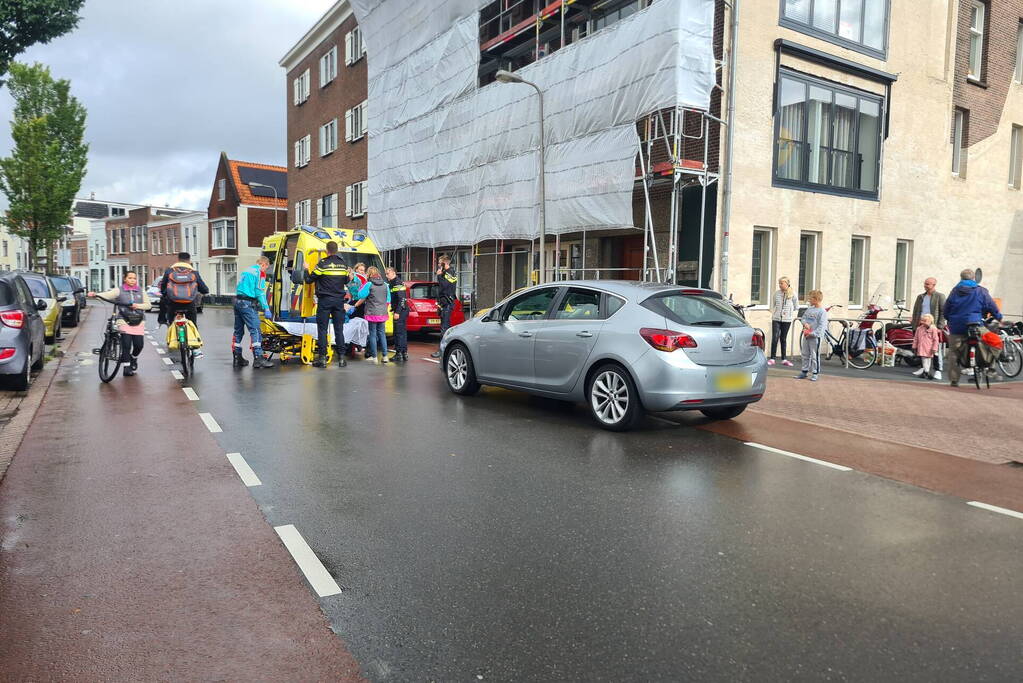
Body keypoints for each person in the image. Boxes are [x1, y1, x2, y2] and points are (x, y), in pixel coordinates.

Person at [944, 268, 1001, 387]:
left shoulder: (954, 291)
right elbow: (991, 305)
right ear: (973, 278)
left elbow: (946, 309)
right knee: (994, 341)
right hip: (975, 325)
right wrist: (999, 317)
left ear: (961, 278)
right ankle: (991, 367)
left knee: (954, 352)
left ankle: (954, 380)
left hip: (957, 326)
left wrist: (950, 319)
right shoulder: (981, 291)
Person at [88, 271, 151, 377]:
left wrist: (137, 306)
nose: (132, 280)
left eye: (134, 278)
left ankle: (133, 358)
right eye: (130, 278)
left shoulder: (141, 291)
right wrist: (95, 294)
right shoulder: (119, 290)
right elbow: (107, 295)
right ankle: (126, 367)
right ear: (125, 279)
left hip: (138, 320)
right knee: (126, 344)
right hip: (123, 320)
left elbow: (148, 305)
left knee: (139, 345)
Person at [304, 241, 350, 368]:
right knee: (339, 329)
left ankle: (322, 359)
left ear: (327, 250)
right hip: (339, 301)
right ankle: (341, 359)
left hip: (325, 300)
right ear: (336, 250)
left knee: (323, 329)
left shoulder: (322, 264)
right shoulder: (343, 264)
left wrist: (306, 269)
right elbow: (346, 280)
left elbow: (309, 280)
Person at [232, 256, 275, 369]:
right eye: (266, 267)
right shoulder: (260, 273)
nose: (265, 270)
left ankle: (237, 357)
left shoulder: (246, 270)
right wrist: (266, 308)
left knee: (238, 330)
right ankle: (259, 358)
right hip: (247, 303)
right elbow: (259, 292)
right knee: (255, 330)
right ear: (263, 264)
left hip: (237, 301)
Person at [911, 277, 947, 380]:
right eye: (925, 283)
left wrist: (940, 326)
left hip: (933, 326)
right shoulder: (921, 297)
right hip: (921, 326)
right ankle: (924, 369)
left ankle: (937, 370)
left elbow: (943, 312)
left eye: (928, 284)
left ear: (934, 285)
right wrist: (915, 324)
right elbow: (916, 310)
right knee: (921, 348)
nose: (925, 285)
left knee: (935, 349)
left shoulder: (940, 296)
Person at [158, 252, 209, 326]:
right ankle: (195, 335)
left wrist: (165, 294)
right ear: (189, 260)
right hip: (189, 304)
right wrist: (203, 291)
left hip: (173, 304)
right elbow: (204, 289)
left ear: (178, 260)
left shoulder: (169, 271)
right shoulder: (194, 272)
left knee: (171, 323)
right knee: (193, 326)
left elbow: (163, 288)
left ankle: (164, 323)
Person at [796, 289, 827, 382]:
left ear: (816, 299)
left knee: (814, 355)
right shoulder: (809, 309)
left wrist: (812, 333)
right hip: (806, 335)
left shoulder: (822, 312)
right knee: (805, 353)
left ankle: (815, 372)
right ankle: (804, 371)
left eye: (811, 298)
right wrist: (804, 324)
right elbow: (803, 318)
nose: (809, 300)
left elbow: (822, 326)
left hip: (814, 337)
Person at [430, 254, 457, 358]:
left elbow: (445, 286)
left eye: (439, 263)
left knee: (444, 328)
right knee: (445, 327)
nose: (438, 265)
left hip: (447, 303)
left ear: (444, 263)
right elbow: (441, 289)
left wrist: (439, 276)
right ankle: (447, 349)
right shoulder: (445, 273)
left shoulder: (451, 272)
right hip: (443, 303)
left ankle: (442, 351)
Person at [363, 266, 391, 364]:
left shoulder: (369, 284)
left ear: (369, 274)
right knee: (382, 334)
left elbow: (360, 295)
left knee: (373, 334)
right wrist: (383, 308)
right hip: (382, 313)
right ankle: (385, 356)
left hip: (372, 313)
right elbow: (388, 299)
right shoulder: (385, 285)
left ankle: (374, 357)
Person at [768, 276, 798, 366]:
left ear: (787, 284)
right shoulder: (776, 293)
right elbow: (773, 305)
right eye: (779, 283)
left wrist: (788, 313)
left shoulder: (793, 294)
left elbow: (796, 306)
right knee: (775, 337)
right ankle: (772, 358)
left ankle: (784, 359)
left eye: (782, 283)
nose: (780, 285)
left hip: (787, 319)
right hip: (776, 318)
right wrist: (775, 313)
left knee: (783, 338)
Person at [386, 266, 408, 363]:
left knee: (398, 333)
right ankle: (403, 353)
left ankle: (399, 353)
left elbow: (402, 299)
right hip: (399, 310)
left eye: (388, 273)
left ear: (394, 273)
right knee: (401, 332)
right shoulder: (392, 282)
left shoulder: (397, 283)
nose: (386, 275)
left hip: (401, 311)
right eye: (386, 273)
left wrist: (398, 312)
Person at [912, 313, 941, 380]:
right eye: (922, 320)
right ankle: (926, 372)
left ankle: (926, 372)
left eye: (925, 321)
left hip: (929, 347)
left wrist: (934, 348)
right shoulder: (919, 329)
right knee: (924, 360)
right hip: (922, 347)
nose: (923, 322)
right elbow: (916, 338)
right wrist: (914, 346)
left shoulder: (933, 329)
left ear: (931, 321)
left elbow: (936, 339)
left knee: (928, 360)